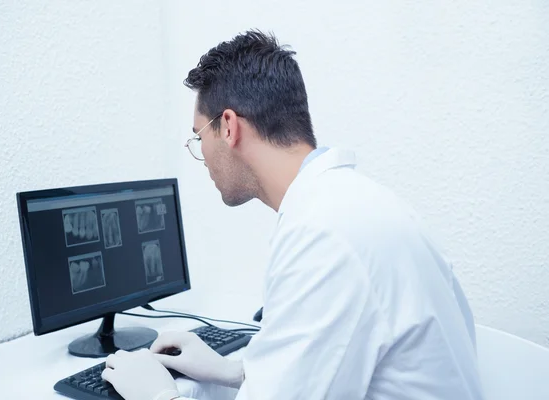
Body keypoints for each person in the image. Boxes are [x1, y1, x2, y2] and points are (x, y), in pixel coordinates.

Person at [101, 30, 485, 400]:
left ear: (229, 127)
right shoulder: (361, 204)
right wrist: (232, 371)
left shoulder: (323, 237)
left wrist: (157, 394)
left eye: (199, 137)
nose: (201, 158)